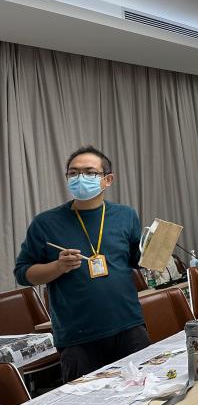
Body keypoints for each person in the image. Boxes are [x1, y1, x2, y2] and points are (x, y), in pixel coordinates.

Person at [15, 146, 150, 381]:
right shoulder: (45, 223)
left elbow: (134, 260)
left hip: (129, 325)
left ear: (108, 180)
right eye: (73, 173)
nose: (80, 178)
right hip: (77, 337)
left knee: (145, 391)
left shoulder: (126, 215)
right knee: (87, 401)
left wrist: (155, 252)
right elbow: (22, 273)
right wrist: (57, 267)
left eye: (89, 172)